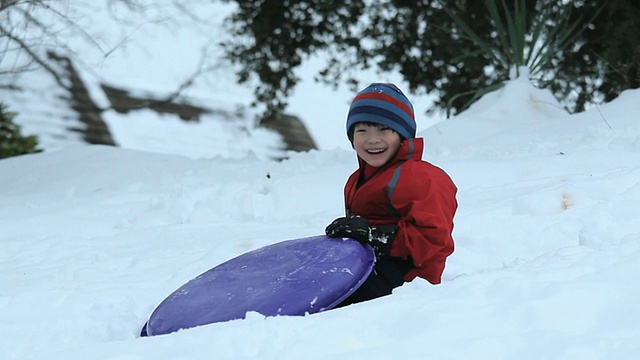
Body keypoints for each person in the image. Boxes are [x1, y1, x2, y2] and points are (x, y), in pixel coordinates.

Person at [325, 82, 458, 306]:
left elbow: (433, 239)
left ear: (402, 134)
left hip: (408, 281)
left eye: (383, 129)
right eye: (362, 130)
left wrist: (375, 237)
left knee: (331, 298)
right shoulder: (356, 180)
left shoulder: (423, 177)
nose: (372, 139)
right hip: (368, 267)